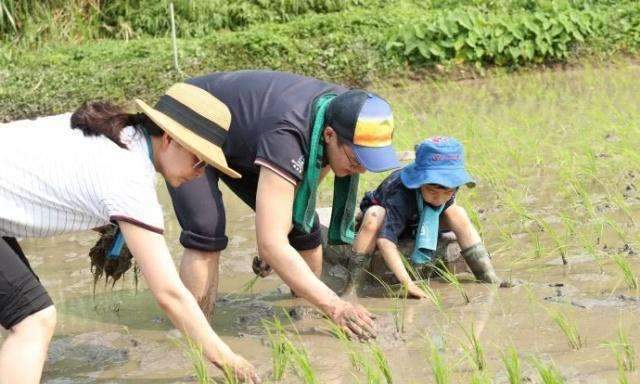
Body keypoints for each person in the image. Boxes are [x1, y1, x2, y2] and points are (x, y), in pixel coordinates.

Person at [0, 83, 259, 383]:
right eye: (199, 160)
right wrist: (227, 359)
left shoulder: (118, 134)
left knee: (20, 312)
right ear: (169, 140)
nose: (201, 172)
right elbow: (170, 294)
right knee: (34, 321)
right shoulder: (130, 177)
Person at [165, 70, 401, 339]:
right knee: (206, 230)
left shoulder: (342, 111)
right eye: (355, 159)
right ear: (329, 135)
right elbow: (272, 242)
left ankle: (304, 319)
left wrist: (276, 241)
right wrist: (335, 304)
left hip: (246, 137)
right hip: (192, 118)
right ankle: (196, 335)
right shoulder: (288, 134)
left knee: (304, 227)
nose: (359, 170)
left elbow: (304, 192)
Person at [345, 136, 500, 299]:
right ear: (419, 182)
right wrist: (408, 284)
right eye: (433, 191)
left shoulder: (450, 187)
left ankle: (487, 276)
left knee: (458, 213)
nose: (439, 199)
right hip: (391, 216)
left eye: (448, 192)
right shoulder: (400, 193)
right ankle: (352, 288)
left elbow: (447, 204)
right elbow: (385, 241)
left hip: (420, 219)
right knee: (374, 215)